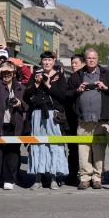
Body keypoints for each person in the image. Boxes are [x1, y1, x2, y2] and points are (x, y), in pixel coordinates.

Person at [67, 48, 109, 190]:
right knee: (83, 149)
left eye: (94, 58)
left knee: (98, 149)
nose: (91, 60)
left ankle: (97, 178)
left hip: (101, 119)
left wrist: (105, 87)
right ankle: (85, 178)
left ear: (98, 59)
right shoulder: (77, 75)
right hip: (83, 119)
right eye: (88, 58)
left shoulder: (107, 74)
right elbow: (66, 95)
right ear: (85, 60)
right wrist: (78, 90)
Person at [24, 51, 68, 190]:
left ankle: (54, 177)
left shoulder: (59, 76)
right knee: (37, 145)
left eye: (50, 60)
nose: (47, 62)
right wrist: (36, 84)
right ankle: (37, 178)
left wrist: (48, 85)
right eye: (45, 60)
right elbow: (26, 96)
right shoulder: (35, 75)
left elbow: (62, 97)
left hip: (52, 115)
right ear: (41, 62)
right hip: (37, 114)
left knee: (54, 145)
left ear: (54, 61)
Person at [0, 62, 27, 190]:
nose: (6, 75)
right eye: (4, 73)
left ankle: (9, 179)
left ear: (14, 74)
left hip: (13, 124)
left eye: (9, 73)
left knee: (12, 152)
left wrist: (20, 104)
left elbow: (27, 106)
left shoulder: (20, 87)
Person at [64, 54, 85, 186]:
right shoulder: (72, 78)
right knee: (73, 149)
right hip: (71, 118)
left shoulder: (86, 77)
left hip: (84, 118)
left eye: (76, 63)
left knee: (85, 149)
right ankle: (72, 175)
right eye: (72, 63)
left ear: (83, 63)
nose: (73, 65)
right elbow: (66, 94)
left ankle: (85, 176)